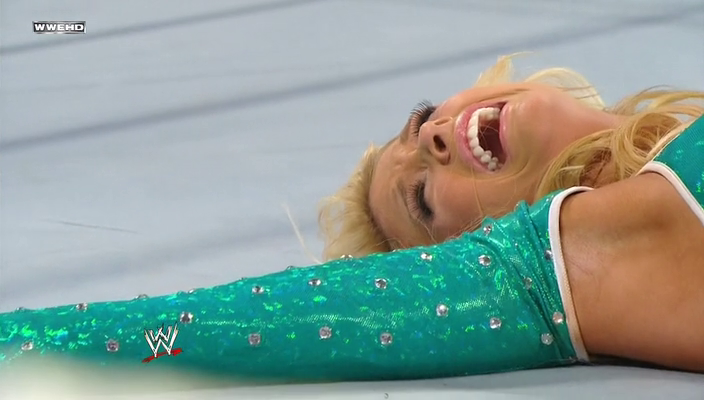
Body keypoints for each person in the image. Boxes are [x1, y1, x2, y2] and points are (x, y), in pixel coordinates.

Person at [1, 55, 703, 383]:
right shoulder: (583, 258)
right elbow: (213, 326)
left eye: (421, 120)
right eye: (422, 199)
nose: (434, 137)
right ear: (460, 262)